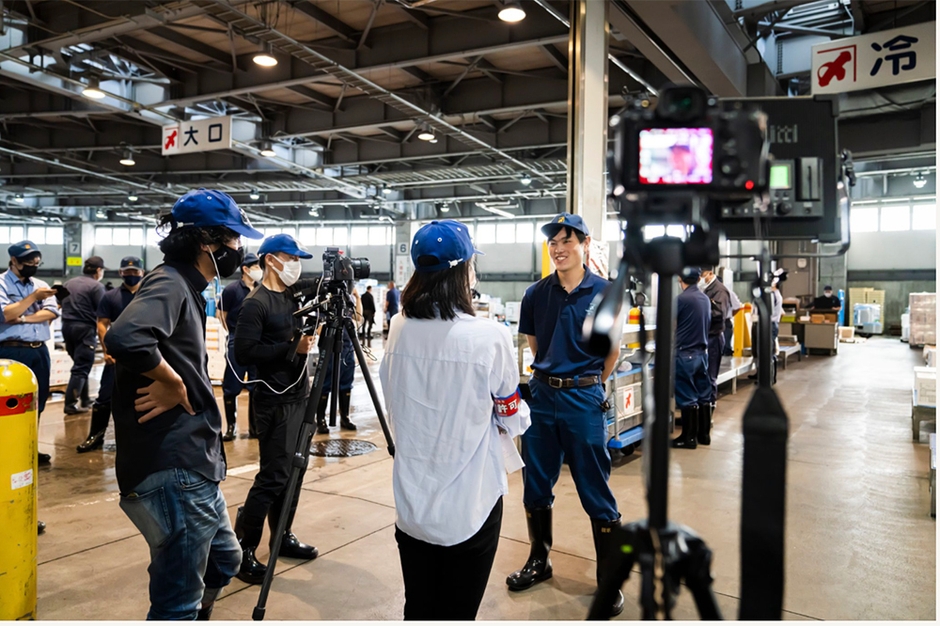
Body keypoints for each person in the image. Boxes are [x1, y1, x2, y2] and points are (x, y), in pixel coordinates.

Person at [104, 188, 262, 620]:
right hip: (172, 466)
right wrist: (172, 383)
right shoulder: (170, 281)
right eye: (231, 241)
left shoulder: (188, 286)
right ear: (204, 242)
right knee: (177, 598)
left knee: (224, 562)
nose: (237, 250)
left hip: (192, 462)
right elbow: (124, 337)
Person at [380, 220, 526, 620]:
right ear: (463, 272)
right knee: (458, 612)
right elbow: (510, 414)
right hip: (470, 505)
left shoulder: (397, 328)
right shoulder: (488, 336)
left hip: (412, 504)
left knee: (420, 608)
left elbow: (391, 395)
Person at [509, 213, 624, 616]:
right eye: (553, 243)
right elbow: (535, 345)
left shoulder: (606, 293)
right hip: (542, 398)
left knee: (596, 489)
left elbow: (612, 353)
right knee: (536, 483)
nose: (558, 249)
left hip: (583, 400)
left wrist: (587, 385)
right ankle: (539, 560)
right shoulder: (535, 294)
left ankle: (609, 581)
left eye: (566, 241)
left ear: (585, 244)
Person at [233, 233, 319, 585]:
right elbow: (244, 353)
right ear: (271, 259)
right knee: (272, 478)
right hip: (274, 400)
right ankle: (243, 549)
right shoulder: (257, 303)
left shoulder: (290, 296)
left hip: (298, 394)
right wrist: (291, 348)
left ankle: (281, 535)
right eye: (290, 257)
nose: (296, 264)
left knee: (294, 473)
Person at [0, 240, 59, 534]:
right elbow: (5, 315)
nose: (33, 262)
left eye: (36, 257)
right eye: (27, 259)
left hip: (39, 352)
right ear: (13, 261)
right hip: (9, 353)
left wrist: (22, 312)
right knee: (7, 419)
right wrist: (31, 299)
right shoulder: (1, 283)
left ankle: (25, 452)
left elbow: (50, 313)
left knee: (36, 409)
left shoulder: (41, 283)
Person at [76, 256, 144, 453]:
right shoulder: (110, 296)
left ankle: (137, 439)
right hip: (118, 354)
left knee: (140, 397)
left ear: (142, 273)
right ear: (121, 273)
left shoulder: (149, 296)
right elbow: (102, 324)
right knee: (104, 397)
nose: (131, 275)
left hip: (144, 354)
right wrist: (107, 351)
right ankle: (95, 436)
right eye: (127, 272)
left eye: (135, 272)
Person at [220, 253, 262, 441]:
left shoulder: (262, 290)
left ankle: (254, 428)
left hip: (257, 342)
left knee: (256, 384)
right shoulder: (231, 290)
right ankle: (230, 427)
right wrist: (233, 334)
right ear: (245, 268)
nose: (259, 270)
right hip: (236, 340)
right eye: (256, 266)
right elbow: (222, 314)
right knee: (231, 384)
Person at [671, 267, 712, 450]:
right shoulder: (704, 299)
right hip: (702, 354)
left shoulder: (682, 299)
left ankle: (688, 438)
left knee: (687, 396)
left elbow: (671, 324)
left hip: (685, 354)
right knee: (703, 395)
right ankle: (703, 435)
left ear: (680, 278)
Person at [61, 256, 106, 414]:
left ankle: (85, 399)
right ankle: (70, 404)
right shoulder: (96, 286)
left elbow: (59, 303)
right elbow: (103, 311)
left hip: (66, 327)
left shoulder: (69, 283)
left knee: (80, 364)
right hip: (84, 328)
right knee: (82, 367)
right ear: (98, 270)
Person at [316, 287, 360, 434]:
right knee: (325, 383)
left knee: (346, 383)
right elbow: (318, 327)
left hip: (347, 348)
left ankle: (345, 417)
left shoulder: (347, 301)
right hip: (329, 348)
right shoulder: (325, 300)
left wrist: (357, 298)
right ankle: (320, 419)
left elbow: (358, 318)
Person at [700, 266, 735, 431]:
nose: (700, 278)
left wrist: (700, 312)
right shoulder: (707, 289)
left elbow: (718, 314)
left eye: (702, 275)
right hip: (706, 337)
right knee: (703, 376)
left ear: (710, 274)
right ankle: (700, 413)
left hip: (714, 337)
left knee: (710, 376)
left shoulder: (719, 291)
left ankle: (708, 415)